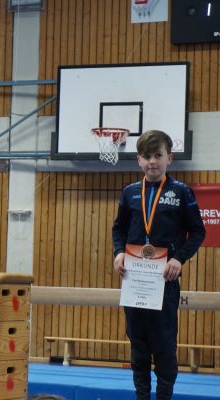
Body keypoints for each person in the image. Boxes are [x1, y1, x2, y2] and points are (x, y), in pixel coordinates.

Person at [112, 130, 205, 400]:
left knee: (164, 347)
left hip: (164, 282)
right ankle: (142, 396)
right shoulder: (129, 192)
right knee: (138, 347)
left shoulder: (181, 192)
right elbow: (119, 229)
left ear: (169, 158)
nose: (152, 161)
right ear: (138, 160)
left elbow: (197, 231)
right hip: (134, 281)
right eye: (146, 156)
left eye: (158, 155)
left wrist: (179, 258)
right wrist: (119, 253)